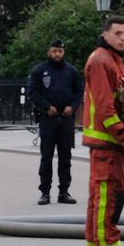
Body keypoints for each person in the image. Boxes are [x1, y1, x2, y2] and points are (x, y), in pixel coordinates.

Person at [82, 15, 124, 246]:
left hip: (110, 144)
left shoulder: (113, 60)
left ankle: (97, 244)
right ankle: (106, 245)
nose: (123, 38)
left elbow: (120, 100)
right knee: (107, 200)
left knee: (108, 197)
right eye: (118, 33)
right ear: (105, 34)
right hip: (106, 143)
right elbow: (105, 109)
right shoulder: (101, 61)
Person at [25, 38, 84, 205]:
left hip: (66, 120)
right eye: (54, 51)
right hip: (48, 119)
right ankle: (45, 192)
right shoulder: (40, 71)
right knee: (46, 158)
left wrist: (72, 107)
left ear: (63, 52)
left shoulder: (71, 71)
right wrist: (46, 107)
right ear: (48, 52)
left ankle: (64, 192)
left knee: (65, 158)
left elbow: (79, 91)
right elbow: (33, 92)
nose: (57, 54)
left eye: (60, 51)